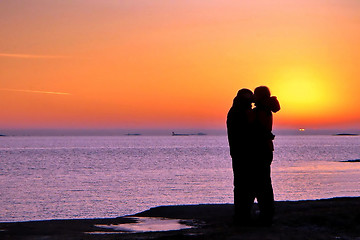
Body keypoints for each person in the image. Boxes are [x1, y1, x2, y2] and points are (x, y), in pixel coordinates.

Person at [252, 86, 280, 226]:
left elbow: (259, 130)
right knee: (264, 182)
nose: (253, 97)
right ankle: (267, 212)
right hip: (266, 149)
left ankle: (266, 213)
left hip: (260, 150)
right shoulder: (266, 110)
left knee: (262, 183)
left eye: (255, 94)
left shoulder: (261, 111)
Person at [226, 88, 255, 225]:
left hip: (238, 153)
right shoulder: (240, 112)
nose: (251, 102)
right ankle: (243, 214)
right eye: (249, 99)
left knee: (242, 185)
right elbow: (246, 132)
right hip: (242, 153)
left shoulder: (236, 111)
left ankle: (243, 213)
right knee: (244, 185)